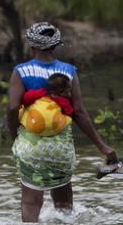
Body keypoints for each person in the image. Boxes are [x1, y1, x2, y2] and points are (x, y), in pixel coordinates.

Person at [7, 22, 117, 222]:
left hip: (31, 146)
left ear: (31, 45)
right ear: (55, 45)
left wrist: (14, 137)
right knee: (64, 205)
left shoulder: (21, 71)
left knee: (31, 202)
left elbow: (13, 108)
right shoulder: (68, 71)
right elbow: (79, 112)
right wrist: (103, 146)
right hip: (61, 148)